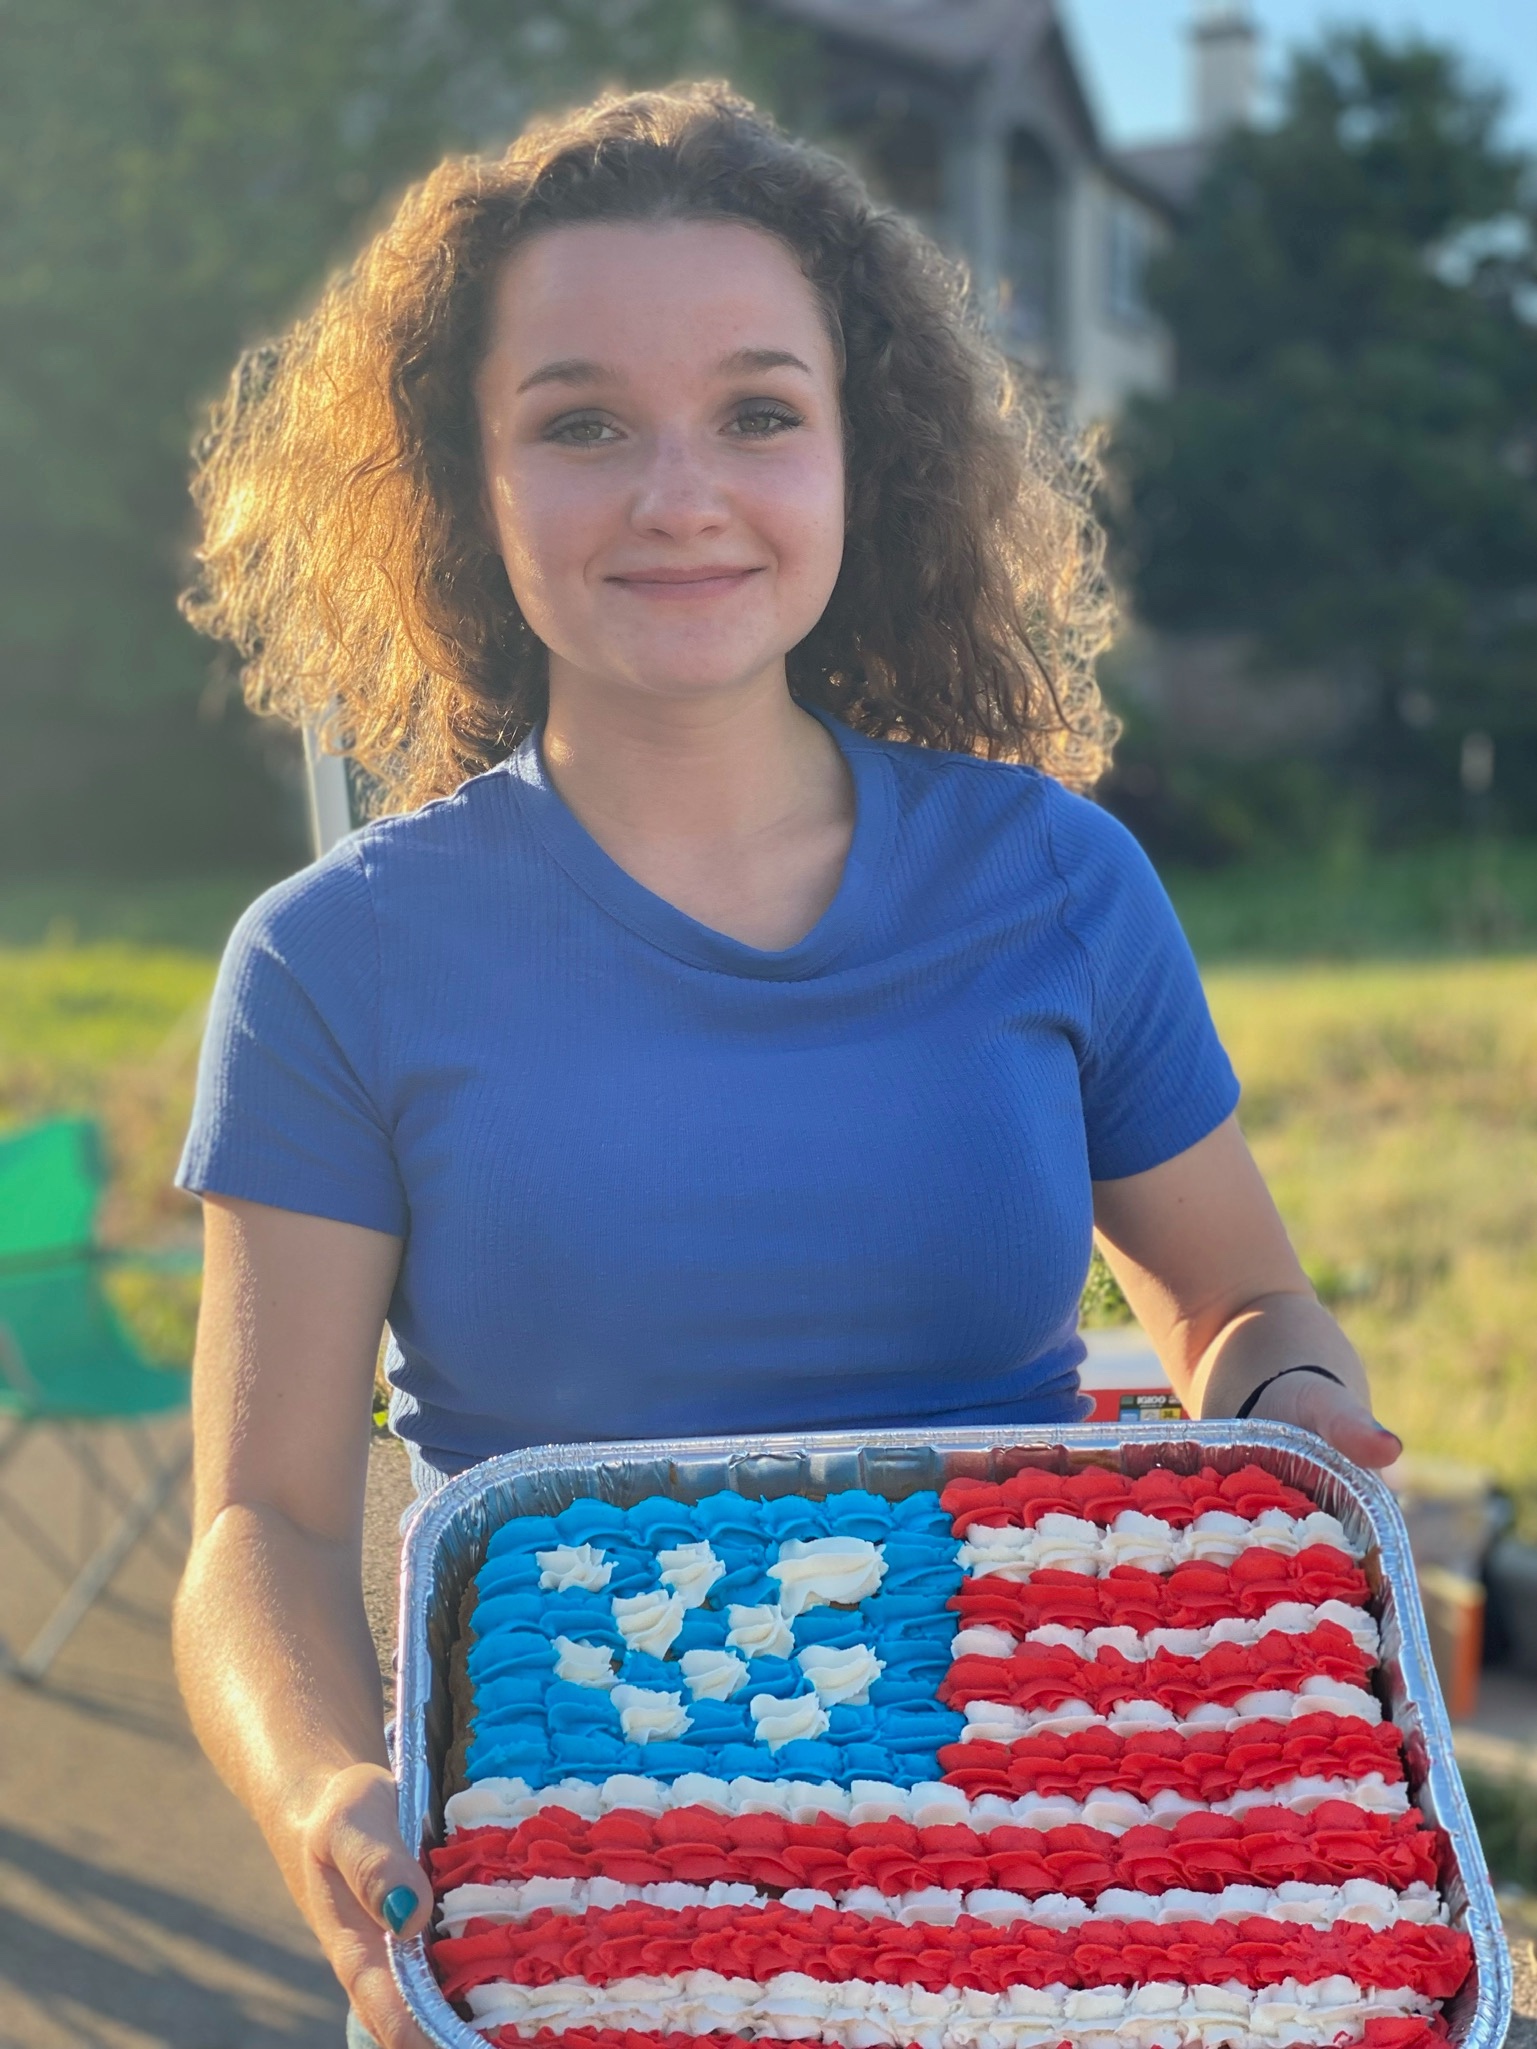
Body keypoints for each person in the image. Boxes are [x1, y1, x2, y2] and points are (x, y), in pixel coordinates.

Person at [170, 84, 1402, 2049]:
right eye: (580, 421)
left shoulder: (1058, 878)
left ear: (863, 460)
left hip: (1039, 1849)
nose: (681, 492)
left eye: (759, 410)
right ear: (458, 480)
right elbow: (265, 1527)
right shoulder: (334, 963)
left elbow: (1234, 1297)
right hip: (567, 1877)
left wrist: (1296, 1405)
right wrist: (331, 1791)